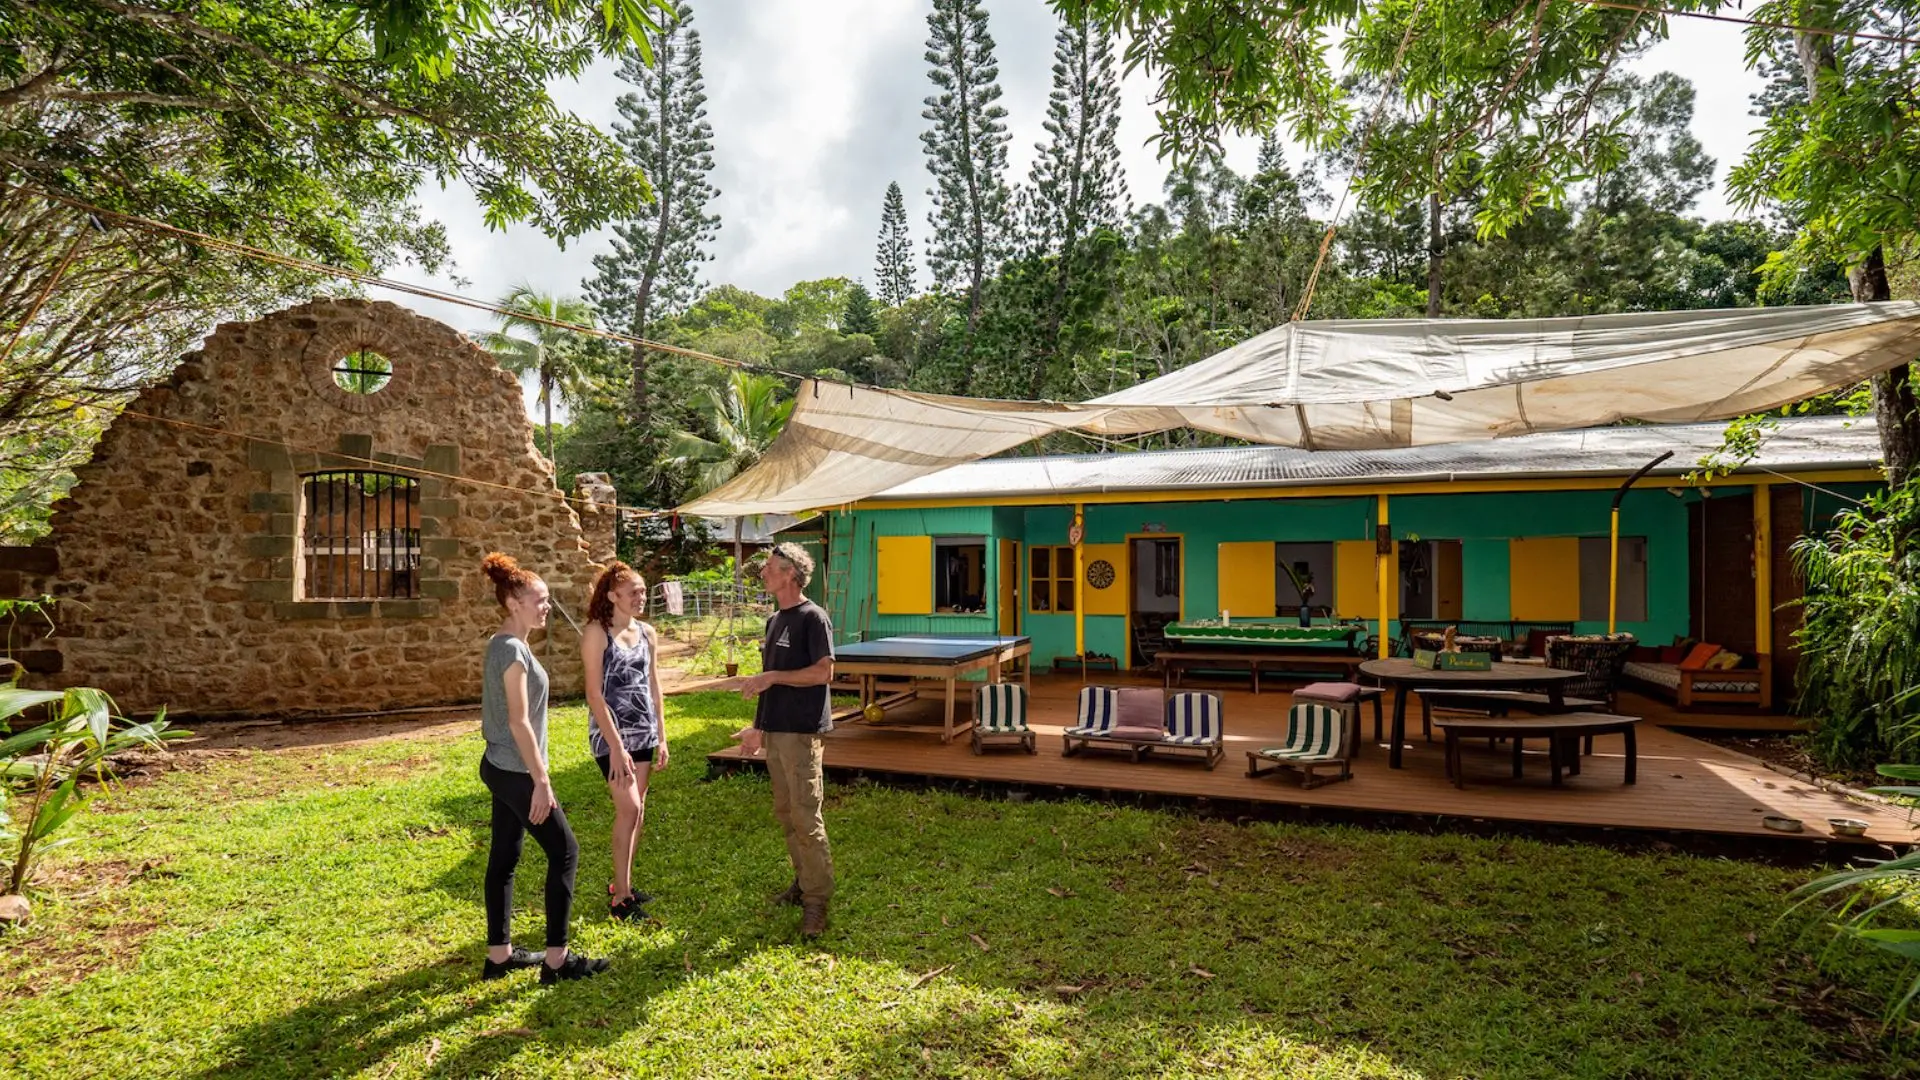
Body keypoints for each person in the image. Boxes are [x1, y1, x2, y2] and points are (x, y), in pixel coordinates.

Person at [477, 552, 608, 985]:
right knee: (565, 851)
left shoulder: (504, 645)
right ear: (514, 602)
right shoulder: (512, 651)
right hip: (516, 769)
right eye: (540, 600)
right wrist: (541, 780)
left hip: (499, 764)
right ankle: (557, 961)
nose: (547, 606)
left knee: (505, 856)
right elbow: (518, 720)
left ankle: (499, 956)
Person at [731, 542, 836, 938]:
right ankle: (802, 881)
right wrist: (758, 727)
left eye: (772, 567)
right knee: (787, 815)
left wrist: (771, 678)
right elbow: (766, 682)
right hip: (775, 733)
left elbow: (823, 672)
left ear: (792, 573)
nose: (764, 573)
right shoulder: (775, 621)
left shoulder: (814, 617)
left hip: (802, 733)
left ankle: (817, 902)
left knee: (807, 818)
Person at [581, 560, 668, 922]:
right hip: (611, 737)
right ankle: (621, 902)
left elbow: (654, 686)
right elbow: (594, 694)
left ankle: (623, 884)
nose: (641, 597)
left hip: (644, 732)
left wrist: (661, 736)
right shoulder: (596, 633)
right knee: (628, 809)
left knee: (638, 812)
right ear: (613, 595)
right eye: (634, 592)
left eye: (644, 591)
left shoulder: (647, 632)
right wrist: (615, 747)